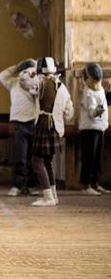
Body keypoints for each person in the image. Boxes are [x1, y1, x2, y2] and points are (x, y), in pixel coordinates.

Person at [30, 57, 73, 207]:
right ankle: (53, 196)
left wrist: (31, 73)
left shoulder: (41, 82)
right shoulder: (62, 87)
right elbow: (69, 112)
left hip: (43, 126)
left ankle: (48, 196)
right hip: (55, 127)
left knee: (37, 161)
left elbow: (27, 84)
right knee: (47, 162)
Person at [0, 59, 39, 196]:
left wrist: (33, 73)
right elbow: (1, 76)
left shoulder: (37, 82)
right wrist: (17, 67)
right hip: (19, 123)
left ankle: (31, 186)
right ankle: (17, 185)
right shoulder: (14, 82)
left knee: (33, 157)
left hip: (34, 122)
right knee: (20, 156)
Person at [78, 62, 108, 195]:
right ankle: (86, 185)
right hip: (89, 129)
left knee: (97, 158)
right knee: (89, 158)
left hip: (100, 128)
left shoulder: (100, 89)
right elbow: (92, 113)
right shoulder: (88, 92)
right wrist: (101, 107)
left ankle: (95, 183)